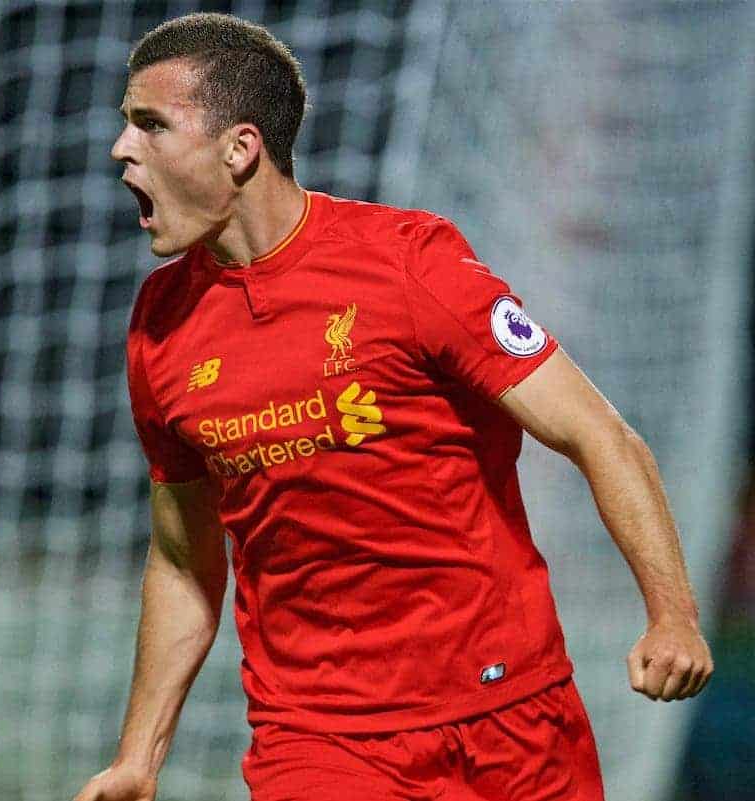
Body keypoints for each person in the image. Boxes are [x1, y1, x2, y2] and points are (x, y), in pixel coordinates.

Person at [74, 12, 713, 801]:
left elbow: (597, 433)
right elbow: (183, 558)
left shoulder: (409, 264)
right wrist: (140, 755)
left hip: (510, 714)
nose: (121, 150)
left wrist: (672, 614)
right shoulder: (158, 328)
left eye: (150, 125)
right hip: (319, 742)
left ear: (239, 148)